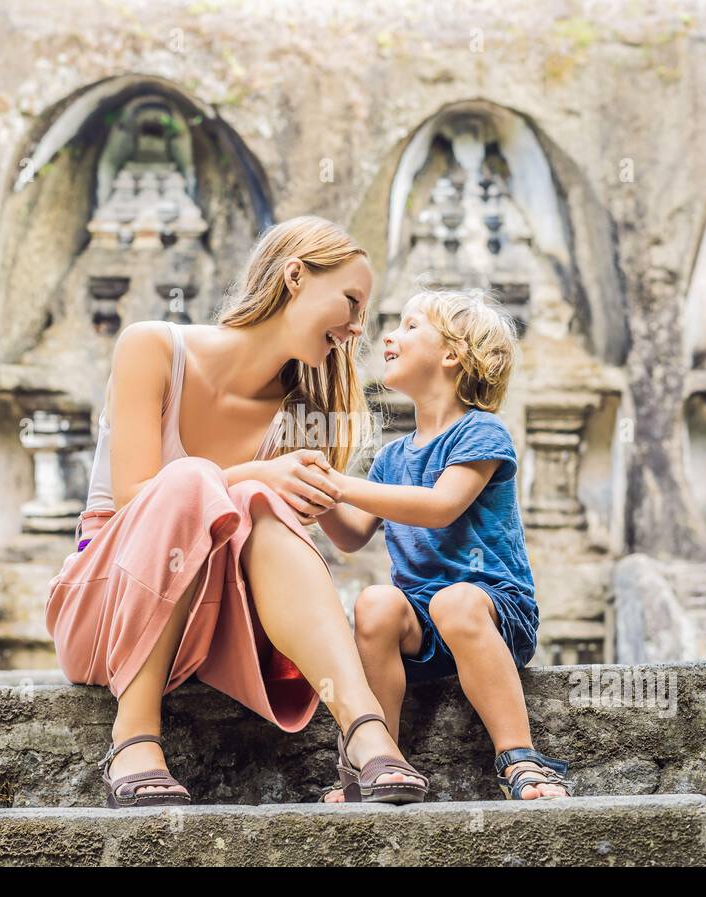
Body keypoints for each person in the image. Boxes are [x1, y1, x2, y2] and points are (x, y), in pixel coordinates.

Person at [45, 215, 429, 807]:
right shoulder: (152, 346)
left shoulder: (296, 415)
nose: (356, 329)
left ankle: (364, 731)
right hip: (105, 610)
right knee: (198, 480)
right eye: (351, 303)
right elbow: (135, 500)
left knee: (256, 500)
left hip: (211, 634)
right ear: (295, 276)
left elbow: (347, 535)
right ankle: (135, 735)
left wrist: (412, 470)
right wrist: (256, 473)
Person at [314, 287, 575, 802]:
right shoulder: (392, 457)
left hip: (493, 615)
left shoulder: (481, 432)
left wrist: (343, 484)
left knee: (453, 601)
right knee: (375, 603)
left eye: (410, 326)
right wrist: (318, 487)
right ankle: (378, 760)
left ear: (452, 355)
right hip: (422, 628)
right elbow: (350, 535)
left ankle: (520, 759)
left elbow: (440, 506)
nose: (389, 335)